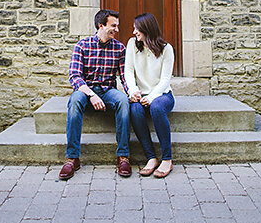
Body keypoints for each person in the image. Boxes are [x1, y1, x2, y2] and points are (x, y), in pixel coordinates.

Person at [60, 9, 131, 180]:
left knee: (123, 100)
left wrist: (132, 93)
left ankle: (123, 156)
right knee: (75, 100)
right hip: (85, 91)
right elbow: (74, 76)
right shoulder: (82, 46)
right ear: (101, 25)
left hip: (108, 91)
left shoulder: (119, 48)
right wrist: (91, 94)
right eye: (113, 26)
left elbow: (124, 77)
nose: (117, 29)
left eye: (117, 26)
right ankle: (72, 158)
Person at [124, 13, 176, 178]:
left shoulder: (166, 49)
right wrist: (133, 91)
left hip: (162, 95)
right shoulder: (133, 44)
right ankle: (151, 158)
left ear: (147, 29)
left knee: (157, 108)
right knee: (135, 111)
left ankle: (167, 159)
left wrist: (152, 97)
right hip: (140, 94)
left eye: (136, 29)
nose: (134, 32)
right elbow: (128, 71)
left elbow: (165, 80)